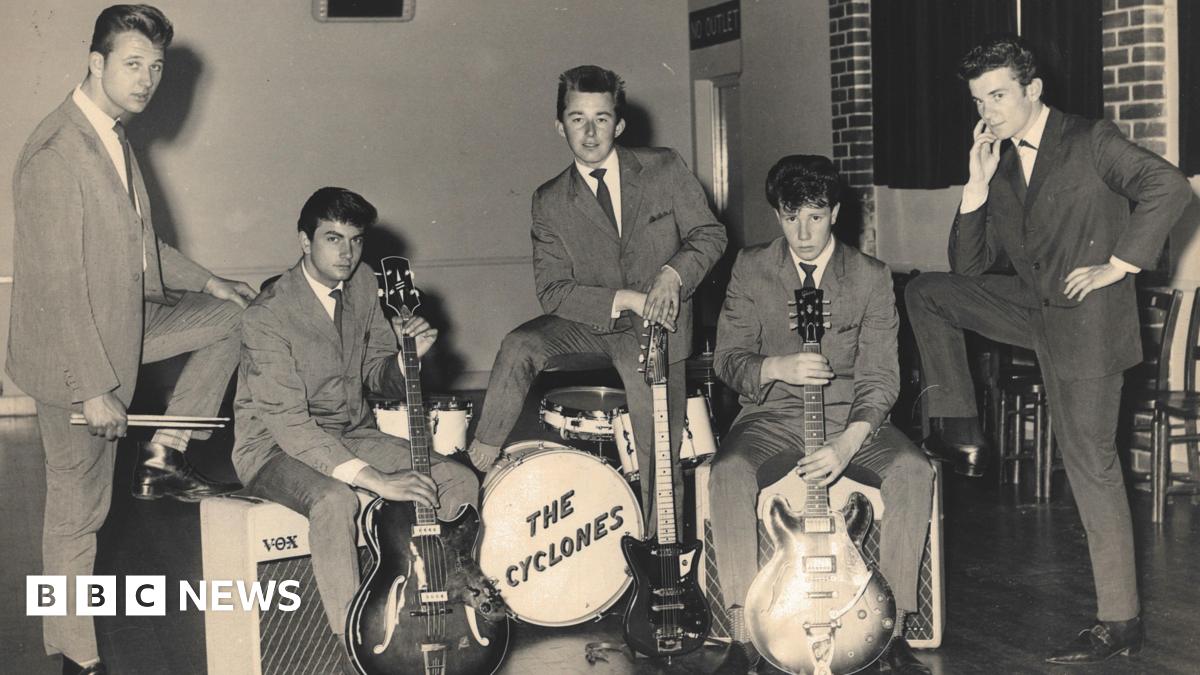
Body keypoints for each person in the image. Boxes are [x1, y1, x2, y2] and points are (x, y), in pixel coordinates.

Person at [905, 36, 1191, 664]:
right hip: (1031, 308)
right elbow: (970, 267)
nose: (988, 112)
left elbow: (1169, 186)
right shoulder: (1002, 164)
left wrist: (1119, 265)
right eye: (979, 101)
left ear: (1033, 90)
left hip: (1087, 322)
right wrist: (976, 185)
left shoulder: (1090, 139)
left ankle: (1121, 621)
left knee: (1091, 466)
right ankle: (960, 426)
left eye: (998, 96)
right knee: (929, 291)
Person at [5, 6, 256, 673]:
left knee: (235, 317)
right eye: (132, 64)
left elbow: (141, 248)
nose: (146, 80)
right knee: (79, 509)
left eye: (156, 67)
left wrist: (212, 282)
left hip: (122, 324)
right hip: (71, 355)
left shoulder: (112, 134)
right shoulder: (57, 155)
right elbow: (59, 289)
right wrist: (94, 389)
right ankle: (76, 656)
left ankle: (165, 454)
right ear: (96, 63)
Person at [464, 65, 726, 531]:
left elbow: (709, 234)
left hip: (657, 329)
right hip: (592, 321)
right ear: (559, 126)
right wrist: (625, 298)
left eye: (601, 119)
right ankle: (478, 461)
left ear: (619, 125)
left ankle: (661, 550)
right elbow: (553, 290)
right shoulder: (548, 200)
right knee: (520, 344)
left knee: (657, 452)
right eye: (577, 118)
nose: (589, 132)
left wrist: (672, 274)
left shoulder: (664, 168)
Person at [233, 187, 480, 674]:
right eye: (332, 238)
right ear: (304, 241)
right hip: (274, 446)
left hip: (351, 430)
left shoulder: (364, 283)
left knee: (458, 479)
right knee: (334, 500)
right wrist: (377, 480)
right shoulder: (266, 315)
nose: (346, 253)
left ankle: (433, 601)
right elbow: (290, 424)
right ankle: (356, 645)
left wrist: (407, 359)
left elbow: (375, 373)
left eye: (355, 240)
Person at [709, 155, 935, 675]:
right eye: (791, 218)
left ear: (834, 212)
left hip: (852, 418)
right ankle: (743, 635)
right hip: (771, 415)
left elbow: (881, 378)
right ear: (778, 215)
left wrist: (848, 444)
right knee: (727, 472)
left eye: (815, 216)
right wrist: (775, 366)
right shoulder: (751, 267)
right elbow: (728, 359)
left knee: (913, 470)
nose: (803, 233)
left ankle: (894, 634)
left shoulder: (871, 277)